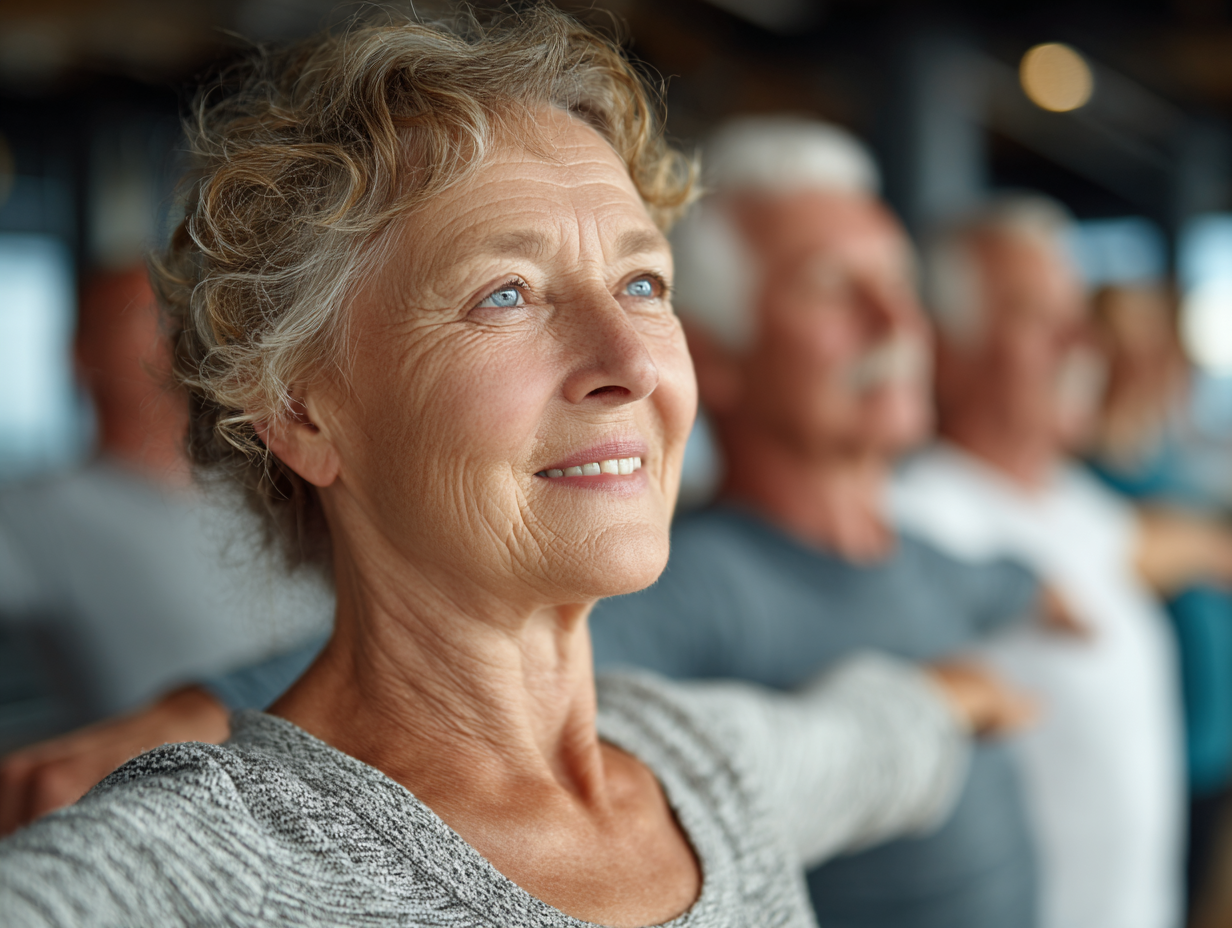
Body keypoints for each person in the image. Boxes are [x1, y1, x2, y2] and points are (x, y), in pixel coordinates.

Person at [0, 11, 1023, 926]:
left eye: (640, 282)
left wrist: (980, 687)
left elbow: (889, 731)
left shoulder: (709, 766)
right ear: (301, 413)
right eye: (505, 294)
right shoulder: (194, 865)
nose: (628, 363)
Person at [891, 197, 1232, 928]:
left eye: (1075, 311)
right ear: (949, 347)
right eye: (1034, 314)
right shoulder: (917, 520)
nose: (1082, 339)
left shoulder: (1084, 502)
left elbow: (1166, 546)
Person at [0, 264, 332, 744]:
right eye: (141, 318)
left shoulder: (268, 487)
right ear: (79, 355)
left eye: (178, 319)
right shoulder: (38, 513)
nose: (172, 336)